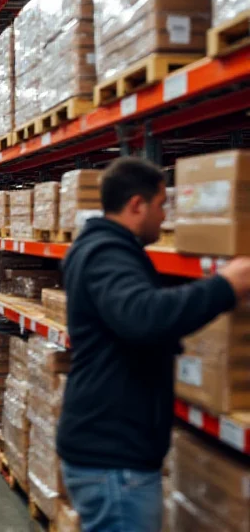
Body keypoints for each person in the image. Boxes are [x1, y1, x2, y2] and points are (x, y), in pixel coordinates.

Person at [56, 157, 250, 532]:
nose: (164, 218)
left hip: (107, 450)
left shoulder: (100, 248)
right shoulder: (105, 254)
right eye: (161, 205)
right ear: (136, 205)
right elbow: (143, 316)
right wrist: (226, 285)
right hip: (113, 459)